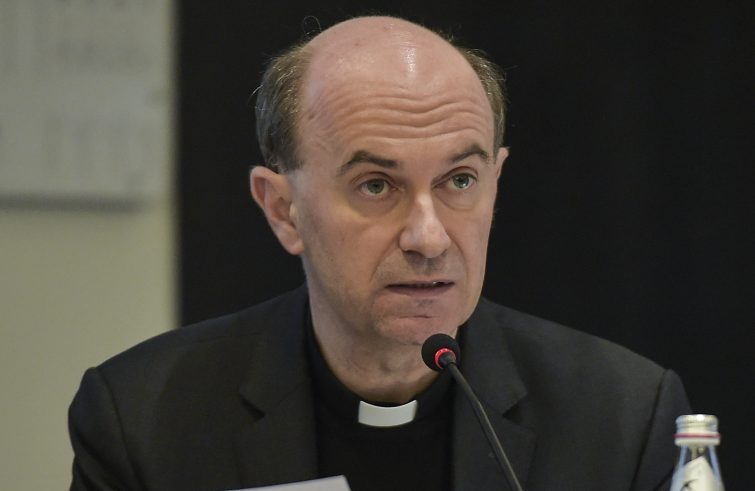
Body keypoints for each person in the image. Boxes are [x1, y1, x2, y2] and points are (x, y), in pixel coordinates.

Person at [68, 16, 690, 491]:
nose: (429, 237)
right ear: (282, 209)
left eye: (460, 181)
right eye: (376, 186)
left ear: (496, 184)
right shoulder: (144, 420)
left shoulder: (625, 418)